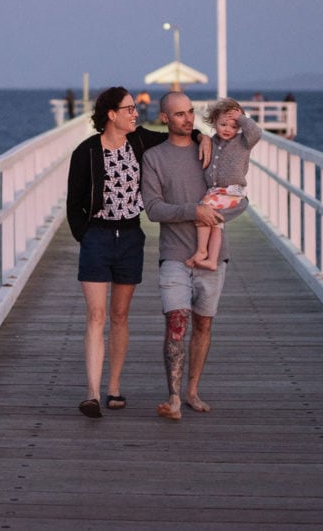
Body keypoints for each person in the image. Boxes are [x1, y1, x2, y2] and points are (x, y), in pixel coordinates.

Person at [66, 86, 210, 418]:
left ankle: (113, 387)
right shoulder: (85, 152)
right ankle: (91, 392)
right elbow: (74, 205)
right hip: (97, 238)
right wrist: (86, 238)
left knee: (119, 316)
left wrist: (202, 136)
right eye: (129, 109)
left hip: (131, 236)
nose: (135, 113)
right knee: (96, 316)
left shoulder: (141, 140)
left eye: (135, 108)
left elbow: (177, 133)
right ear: (110, 114)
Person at [141, 91, 248, 421]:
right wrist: (194, 211)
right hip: (174, 253)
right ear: (164, 119)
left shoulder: (214, 149)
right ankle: (173, 398)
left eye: (190, 113)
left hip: (215, 254)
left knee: (203, 323)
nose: (187, 119)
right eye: (179, 115)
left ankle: (192, 391)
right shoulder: (154, 158)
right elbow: (154, 208)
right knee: (176, 322)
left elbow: (239, 198)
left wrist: (214, 216)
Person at [187, 98, 261, 270]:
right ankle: (212, 261)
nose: (229, 129)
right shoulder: (213, 141)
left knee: (203, 210)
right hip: (217, 191)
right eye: (223, 124)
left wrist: (242, 118)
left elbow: (256, 133)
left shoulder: (243, 142)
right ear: (214, 122)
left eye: (234, 126)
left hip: (230, 192)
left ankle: (201, 251)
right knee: (216, 225)